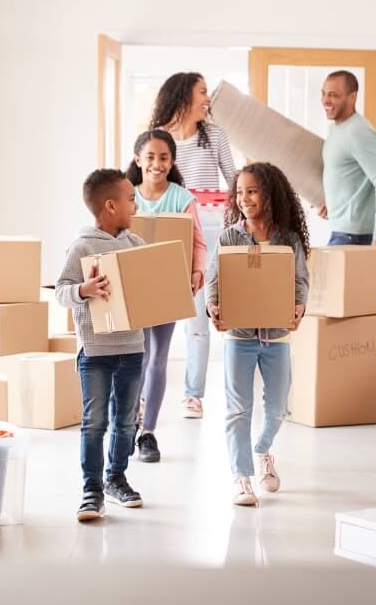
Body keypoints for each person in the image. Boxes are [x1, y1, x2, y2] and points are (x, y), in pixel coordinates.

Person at [205, 162, 310, 506]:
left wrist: (299, 307)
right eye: (239, 192)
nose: (244, 199)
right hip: (239, 335)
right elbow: (214, 281)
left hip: (277, 335)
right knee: (238, 409)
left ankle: (262, 449)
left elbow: (300, 282)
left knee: (278, 408)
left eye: (251, 191)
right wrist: (213, 307)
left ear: (269, 194)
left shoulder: (288, 239)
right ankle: (241, 477)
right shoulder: (229, 237)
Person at [56, 168, 146, 522]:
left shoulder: (135, 245)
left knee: (126, 422)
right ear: (111, 206)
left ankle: (116, 478)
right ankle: (91, 489)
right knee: (95, 421)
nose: (135, 204)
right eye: (130, 199)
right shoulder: (82, 246)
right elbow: (62, 290)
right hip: (95, 353)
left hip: (133, 348)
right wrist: (84, 290)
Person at [151, 72, 237, 419]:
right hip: (170, 228)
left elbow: (234, 181)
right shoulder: (158, 140)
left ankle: (193, 395)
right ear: (184, 96)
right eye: (202, 92)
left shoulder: (214, 135)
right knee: (155, 312)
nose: (208, 99)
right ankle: (145, 392)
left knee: (198, 315)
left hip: (211, 230)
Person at [126, 129, 207, 463]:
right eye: (150, 157)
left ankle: (148, 433)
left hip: (169, 286)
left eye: (164, 158)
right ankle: (129, 423)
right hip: (134, 286)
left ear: (172, 162)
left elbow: (198, 242)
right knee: (136, 358)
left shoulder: (181, 198)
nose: (157, 164)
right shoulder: (127, 195)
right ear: (138, 160)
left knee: (158, 356)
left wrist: (196, 274)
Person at [318, 70, 376, 249]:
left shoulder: (358, 132)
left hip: (355, 237)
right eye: (323, 93)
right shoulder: (336, 130)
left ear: (352, 97)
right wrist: (333, 204)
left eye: (333, 95)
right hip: (342, 232)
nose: (325, 100)